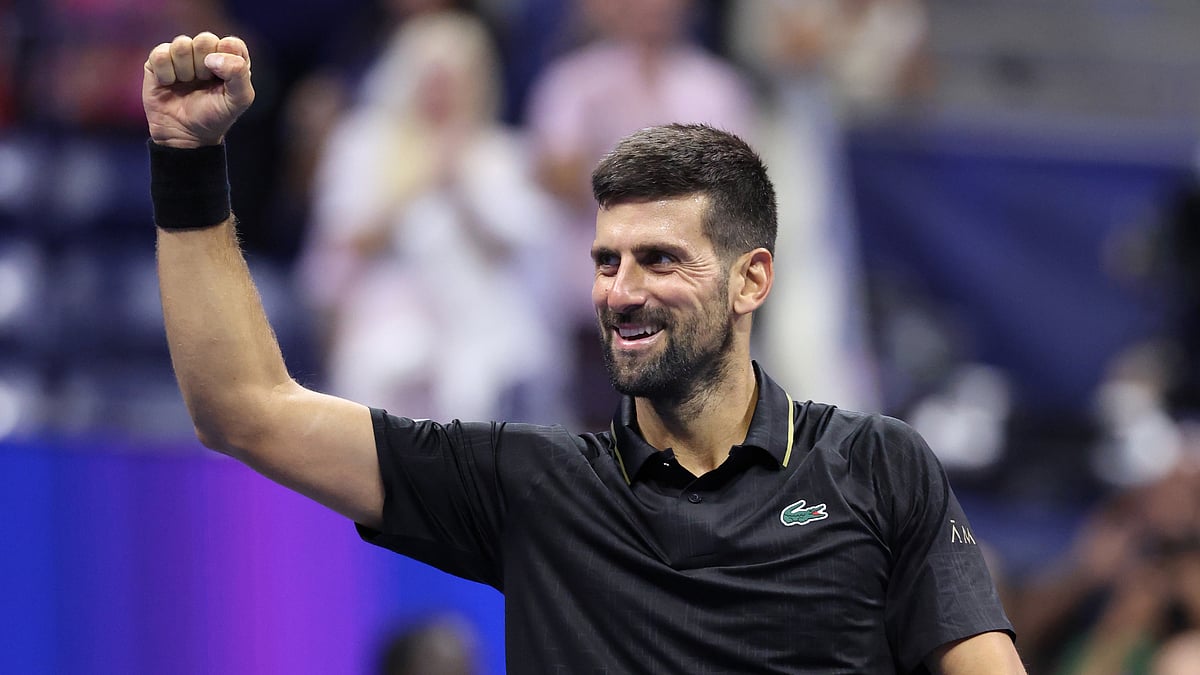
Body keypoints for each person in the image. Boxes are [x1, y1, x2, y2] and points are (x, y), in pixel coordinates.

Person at [143, 33, 1026, 673]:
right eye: (607, 260)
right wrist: (189, 160)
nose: (620, 290)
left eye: (660, 259)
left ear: (751, 281)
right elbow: (244, 407)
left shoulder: (880, 466)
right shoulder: (534, 481)